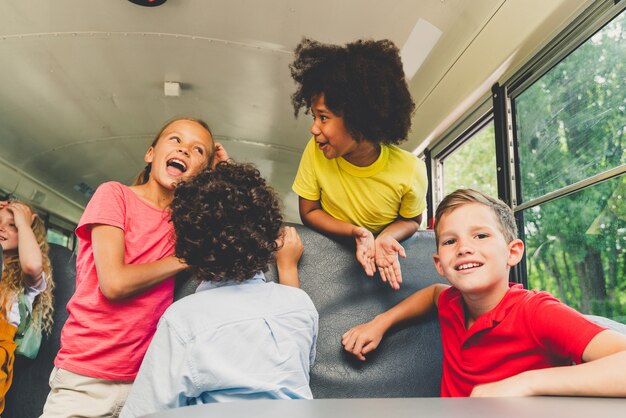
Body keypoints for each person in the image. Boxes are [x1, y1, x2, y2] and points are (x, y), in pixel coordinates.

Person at [342, 189, 626, 397]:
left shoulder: (536, 311)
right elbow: (431, 294)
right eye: (451, 241)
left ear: (512, 253)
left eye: (481, 235)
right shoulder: (451, 302)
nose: (464, 247)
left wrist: (526, 383)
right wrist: (380, 323)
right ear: (440, 264)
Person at [40, 117, 229, 418]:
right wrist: (183, 259)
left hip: (146, 382)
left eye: (198, 151)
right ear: (151, 154)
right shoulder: (114, 195)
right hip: (86, 379)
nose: (184, 150)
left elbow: (234, 233)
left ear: (201, 175)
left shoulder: (186, 224)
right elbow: (114, 284)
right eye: (175, 140)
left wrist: (223, 177)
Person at [119, 162, 318, 417]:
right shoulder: (301, 305)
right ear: (267, 234)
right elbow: (298, 370)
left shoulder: (182, 320)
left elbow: (145, 412)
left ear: (188, 247)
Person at [290, 38, 428, 290]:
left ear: (359, 120)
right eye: (314, 116)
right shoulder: (315, 151)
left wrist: (385, 237)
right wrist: (356, 232)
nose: (313, 128)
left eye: (323, 117)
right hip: (328, 261)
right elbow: (309, 211)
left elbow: (411, 221)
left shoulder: (411, 170)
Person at [1, 200, 54, 414]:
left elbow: (32, 266)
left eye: (12, 225)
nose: (2, 228)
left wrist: (24, 223)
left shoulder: (26, 282)